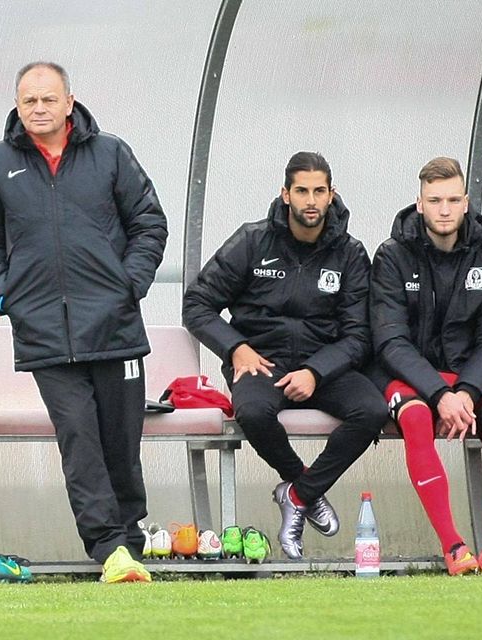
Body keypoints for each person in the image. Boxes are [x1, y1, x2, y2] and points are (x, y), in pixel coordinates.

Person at [0, 61, 167, 582]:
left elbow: (150, 222)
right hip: (44, 335)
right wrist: (3, 295)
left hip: (114, 329)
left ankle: (128, 541)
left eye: (47, 99)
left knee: (120, 445)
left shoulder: (110, 153)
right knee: (79, 441)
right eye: (27, 101)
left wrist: (128, 285)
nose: (38, 109)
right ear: (18, 107)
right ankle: (110, 549)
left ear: (69, 102)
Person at [182, 152, 387, 559]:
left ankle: (297, 494)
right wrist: (236, 348)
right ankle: (302, 486)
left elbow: (358, 335)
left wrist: (316, 370)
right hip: (262, 361)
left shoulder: (349, 253)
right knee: (254, 412)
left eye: (319, 191)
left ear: (332, 195)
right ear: (285, 194)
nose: (311, 200)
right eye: (302, 191)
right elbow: (197, 305)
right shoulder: (252, 240)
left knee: (373, 410)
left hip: (325, 363)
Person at [369, 157, 482, 575]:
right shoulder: (391, 256)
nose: (444, 209)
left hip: (472, 376)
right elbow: (390, 339)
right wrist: (440, 395)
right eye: (435, 200)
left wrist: (466, 393)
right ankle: (454, 547)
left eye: (453, 200)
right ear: (418, 204)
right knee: (417, 417)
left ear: (466, 203)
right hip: (410, 374)